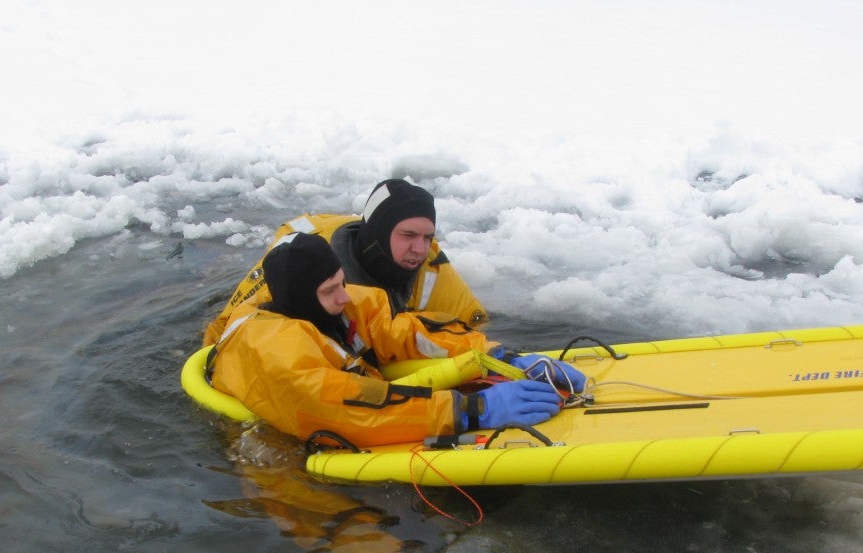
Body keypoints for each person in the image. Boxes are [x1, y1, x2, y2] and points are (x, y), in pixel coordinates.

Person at [206, 233, 585, 447]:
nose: (344, 297)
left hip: (329, 404)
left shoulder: (341, 304)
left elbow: (410, 333)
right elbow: (336, 409)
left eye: (342, 282)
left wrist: (500, 356)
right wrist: (470, 410)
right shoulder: (272, 349)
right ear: (303, 299)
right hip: (267, 441)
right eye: (329, 290)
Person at [202, 179, 487, 346]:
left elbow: (473, 326)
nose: (419, 248)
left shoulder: (430, 262)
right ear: (379, 232)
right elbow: (227, 332)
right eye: (408, 235)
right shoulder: (305, 258)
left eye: (427, 236)